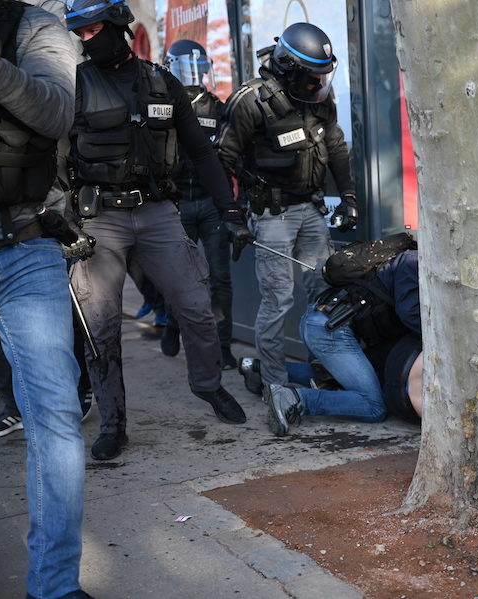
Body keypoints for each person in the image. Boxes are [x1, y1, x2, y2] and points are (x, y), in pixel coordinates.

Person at [65, 0, 253, 461]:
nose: (85, 41)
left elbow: (202, 153)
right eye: (80, 34)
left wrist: (229, 212)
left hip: (158, 213)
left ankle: (208, 385)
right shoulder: (72, 84)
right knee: (100, 328)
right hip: (99, 218)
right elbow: (53, 158)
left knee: (196, 306)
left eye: (92, 31)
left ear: (116, 26)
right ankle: (113, 424)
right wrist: (62, 220)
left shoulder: (162, 81)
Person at [0, 0, 94, 594]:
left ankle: (54, 586)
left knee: (57, 416)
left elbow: (56, 113)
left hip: (23, 247)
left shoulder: (35, 27)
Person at [216, 22, 358, 390]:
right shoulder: (250, 101)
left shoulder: (318, 98)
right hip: (272, 215)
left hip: (311, 210)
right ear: (289, 67)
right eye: (311, 77)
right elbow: (220, 161)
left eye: (321, 77)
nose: (317, 84)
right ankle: (275, 384)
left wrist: (349, 197)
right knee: (277, 300)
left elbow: (337, 147)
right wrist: (231, 215)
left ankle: (325, 372)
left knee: (325, 292)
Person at [264, 249, 422, 434]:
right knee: (374, 406)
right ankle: (295, 398)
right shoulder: (413, 262)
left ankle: (257, 369)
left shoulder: (401, 257)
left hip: (322, 321)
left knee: (341, 377)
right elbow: (411, 314)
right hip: (332, 330)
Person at [159, 39, 236, 368]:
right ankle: (173, 322)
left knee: (220, 278)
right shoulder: (163, 106)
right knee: (179, 276)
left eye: (197, 68)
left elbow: (229, 155)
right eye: (185, 68)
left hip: (209, 204)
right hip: (177, 205)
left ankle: (223, 347)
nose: (192, 75)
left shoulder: (217, 108)